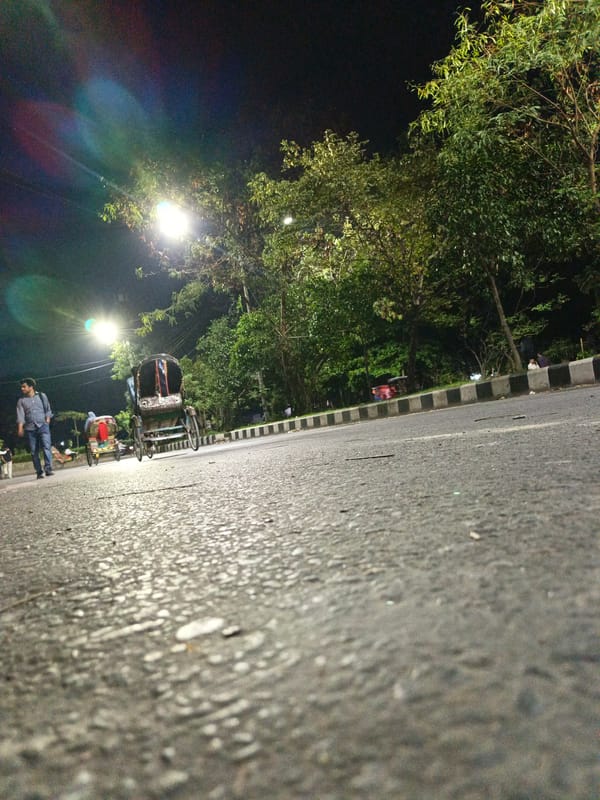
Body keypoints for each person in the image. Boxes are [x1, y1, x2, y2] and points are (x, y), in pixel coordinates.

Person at [16, 378, 54, 479]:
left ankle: (48, 469)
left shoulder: (42, 396)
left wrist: (47, 420)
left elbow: (48, 409)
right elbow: (20, 416)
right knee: (34, 451)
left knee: (46, 447)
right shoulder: (21, 401)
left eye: (24, 386)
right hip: (30, 429)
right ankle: (39, 471)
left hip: (43, 426)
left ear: (31, 387)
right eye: (21, 387)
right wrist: (20, 428)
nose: (22, 388)